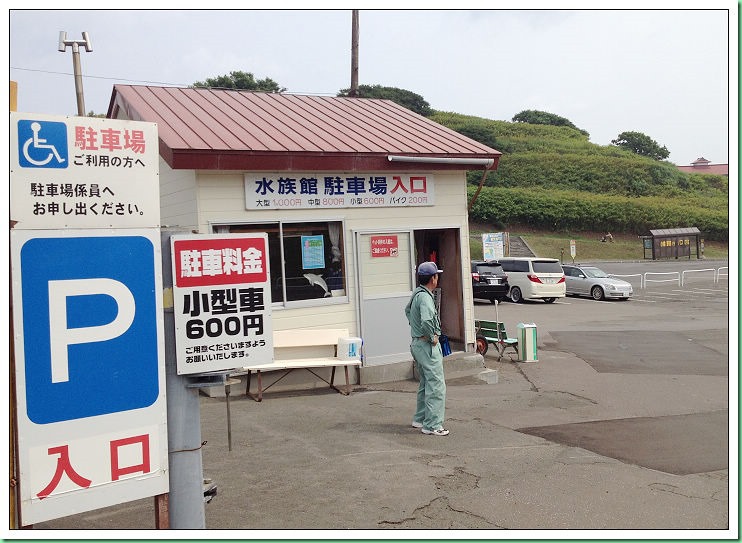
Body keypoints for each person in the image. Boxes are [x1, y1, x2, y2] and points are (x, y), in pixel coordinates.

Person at [405, 261, 449, 436]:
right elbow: (427, 320)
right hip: (426, 345)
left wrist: (415, 328)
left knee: (425, 383)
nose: (437, 278)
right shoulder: (425, 297)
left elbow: (407, 311)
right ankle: (432, 425)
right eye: (437, 275)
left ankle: (420, 418)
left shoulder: (417, 293)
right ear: (433, 278)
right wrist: (433, 337)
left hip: (417, 343)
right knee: (436, 385)